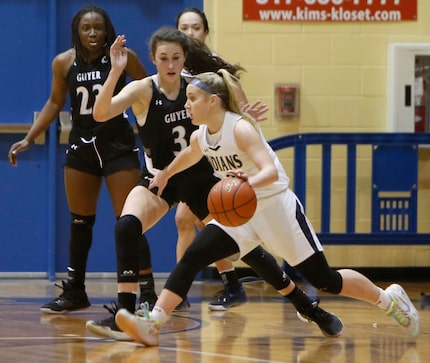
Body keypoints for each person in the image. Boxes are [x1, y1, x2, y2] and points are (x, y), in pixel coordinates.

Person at [114, 69, 421, 346]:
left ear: (213, 101)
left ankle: (389, 300)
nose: (186, 105)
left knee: (326, 280)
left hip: (275, 208)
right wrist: (166, 173)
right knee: (194, 256)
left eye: (192, 99)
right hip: (240, 215)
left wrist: (248, 181)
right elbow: (190, 155)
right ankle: (153, 324)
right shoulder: (202, 135)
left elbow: (271, 171)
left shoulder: (240, 129)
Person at [86, 27, 344, 340]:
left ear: (185, 59)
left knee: (248, 250)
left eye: (176, 58)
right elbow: (100, 113)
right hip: (160, 176)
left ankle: (305, 305)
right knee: (126, 226)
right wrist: (115, 72)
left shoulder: (197, 86)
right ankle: (124, 315)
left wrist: (242, 115)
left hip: (200, 179)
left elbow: (231, 115)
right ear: (153, 59)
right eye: (163, 58)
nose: (170, 64)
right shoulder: (143, 89)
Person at [7, 5, 155, 318]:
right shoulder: (63, 61)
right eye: (86, 28)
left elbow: (149, 94)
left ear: (107, 30)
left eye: (97, 28)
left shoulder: (123, 57)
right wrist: (30, 137)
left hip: (117, 144)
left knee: (129, 222)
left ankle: (147, 293)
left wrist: (155, 140)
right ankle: (75, 290)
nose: (92, 33)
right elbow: (54, 102)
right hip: (82, 145)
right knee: (80, 222)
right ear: (77, 30)